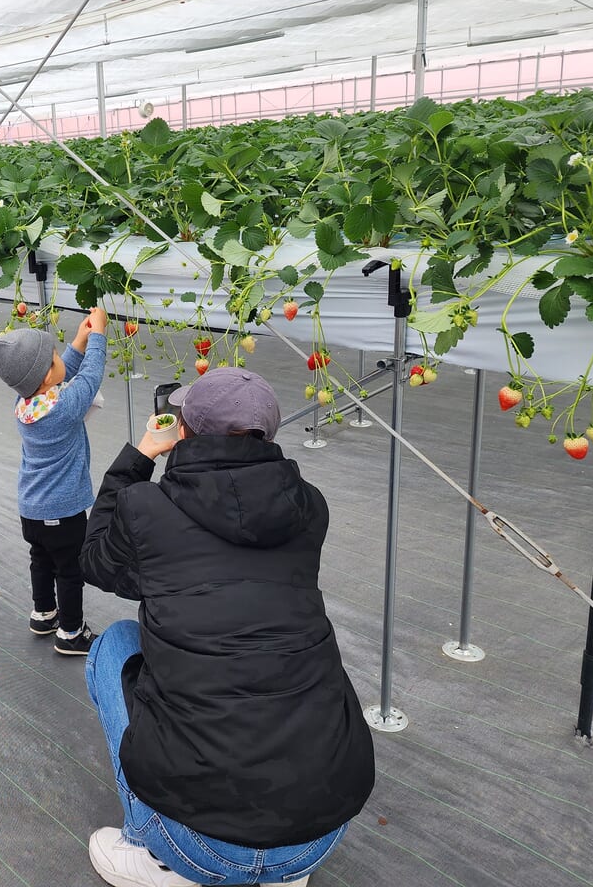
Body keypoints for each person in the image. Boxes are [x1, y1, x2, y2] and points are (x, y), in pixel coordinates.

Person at [80, 367, 375, 887]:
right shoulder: (309, 508)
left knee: (115, 644)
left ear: (186, 430)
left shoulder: (146, 507)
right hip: (318, 835)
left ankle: (163, 860)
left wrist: (142, 456)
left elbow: (99, 564)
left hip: (197, 845)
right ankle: (279, 872)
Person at [0, 310, 108, 656]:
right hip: (62, 512)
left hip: (32, 510)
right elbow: (89, 377)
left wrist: (77, 342)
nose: (58, 359)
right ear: (47, 376)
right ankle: (70, 632)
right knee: (69, 570)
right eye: (54, 357)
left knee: (41, 559)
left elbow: (58, 372)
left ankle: (43, 613)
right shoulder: (63, 407)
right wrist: (97, 337)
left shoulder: (25, 403)